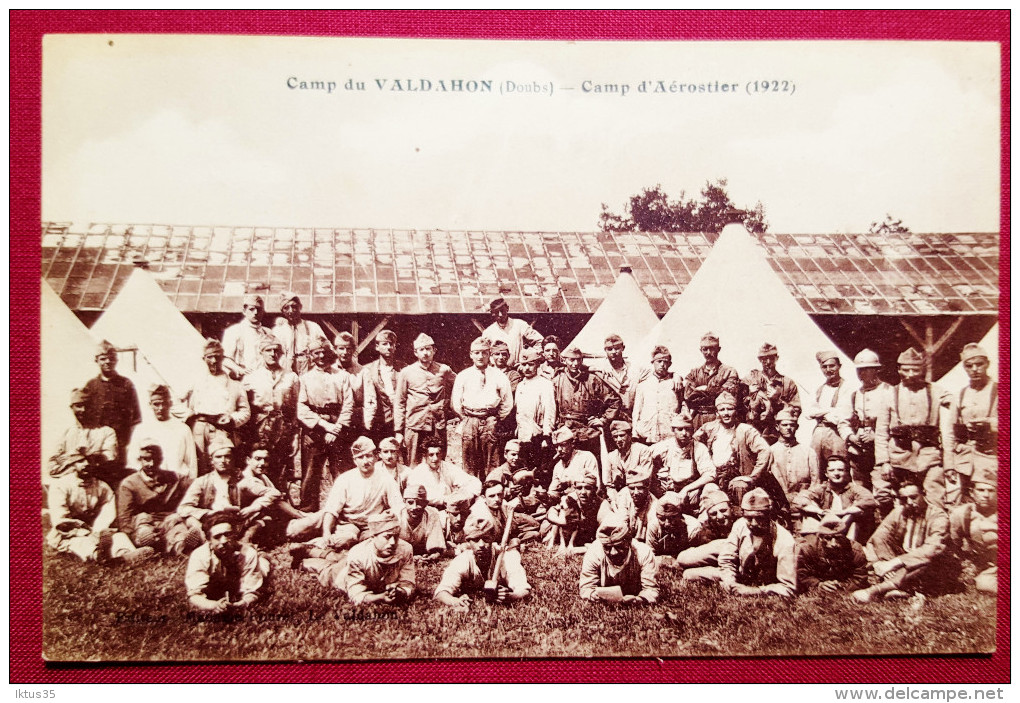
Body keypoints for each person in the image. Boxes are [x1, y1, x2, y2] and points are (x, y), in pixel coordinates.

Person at [874, 348, 955, 512]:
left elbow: (956, 410)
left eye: (916, 370)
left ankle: (934, 533)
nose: (911, 374)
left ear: (923, 370)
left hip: (929, 458)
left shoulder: (937, 391)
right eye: (906, 369)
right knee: (892, 500)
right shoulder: (889, 394)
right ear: (899, 370)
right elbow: (881, 431)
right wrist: (884, 462)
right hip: (899, 459)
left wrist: (949, 464)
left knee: (935, 499)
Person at [686, 488, 796, 597]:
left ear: (768, 515)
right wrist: (730, 581)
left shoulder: (784, 540)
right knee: (688, 574)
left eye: (759, 518)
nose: (753, 523)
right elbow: (727, 558)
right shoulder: (740, 525)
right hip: (742, 575)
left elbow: (788, 588)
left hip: (765, 583)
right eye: (748, 518)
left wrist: (754, 591)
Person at [176, 437, 282, 550]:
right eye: (218, 457)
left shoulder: (242, 480)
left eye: (227, 456)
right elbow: (184, 508)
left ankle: (215, 543)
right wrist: (208, 513)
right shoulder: (202, 481)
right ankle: (202, 539)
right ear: (211, 460)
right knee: (188, 520)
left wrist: (254, 507)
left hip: (234, 522)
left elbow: (274, 492)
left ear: (232, 459)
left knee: (260, 520)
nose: (223, 460)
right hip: (209, 520)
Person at [304, 436, 404, 552]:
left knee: (376, 544)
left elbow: (398, 507)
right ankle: (310, 547)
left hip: (373, 525)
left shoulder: (386, 479)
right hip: (349, 524)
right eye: (360, 457)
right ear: (354, 460)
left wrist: (395, 526)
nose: (365, 461)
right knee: (345, 539)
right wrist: (326, 532)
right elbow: (331, 509)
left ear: (376, 457)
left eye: (369, 456)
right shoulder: (345, 479)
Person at [854, 482, 949, 603]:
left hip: (929, 563)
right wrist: (880, 562)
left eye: (913, 497)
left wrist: (895, 563)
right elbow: (877, 538)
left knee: (923, 561)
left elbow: (933, 548)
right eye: (904, 499)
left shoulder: (938, 515)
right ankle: (901, 589)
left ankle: (874, 591)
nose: (909, 502)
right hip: (902, 559)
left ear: (924, 494)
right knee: (878, 542)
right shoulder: (899, 511)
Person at [300, 511, 416, 606]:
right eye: (387, 537)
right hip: (343, 574)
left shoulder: (405, 549)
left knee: (341, 558)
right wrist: (379, 597)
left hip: (356, 563)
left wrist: (401, 592)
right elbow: (356, 594)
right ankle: (304, 559)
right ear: (373, 536)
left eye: (396, 537)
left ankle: (311, 551)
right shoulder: (359, 554)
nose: (392, 542)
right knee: (328, 571)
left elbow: (408, 582)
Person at [694, 392, 784, 513]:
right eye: (722, 409)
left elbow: (765, 450)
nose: (726, 413)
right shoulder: (709, 428)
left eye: (730, 409)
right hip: (714, 477)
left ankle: (745, 520)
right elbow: (693, 444)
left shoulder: (746, 430)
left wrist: (752, 476)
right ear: (717, 412)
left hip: (737, 475)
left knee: (739, 487)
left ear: (736, 411)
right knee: (707, 493)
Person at [296, 337, 354, 512]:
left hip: (339, 428)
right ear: (310, 356)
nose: (321, 356)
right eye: (316, 353)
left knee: (342, 471)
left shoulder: (342, 376)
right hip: (315, 429)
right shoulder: (305, 379)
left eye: (324, 352)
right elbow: (301, 408)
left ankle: (346, 510)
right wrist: (324, 426)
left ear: (330, 353)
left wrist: (336, 429)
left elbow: (348, 405)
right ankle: (308, 510)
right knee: (310, 473)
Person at [180, 339, 251, 477]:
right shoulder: (195, 381)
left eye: (217, 357)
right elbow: (174, 401)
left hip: (222, 429)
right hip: (199, 429)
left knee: (223, 466)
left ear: (223, 358)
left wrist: (231, 419)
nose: (213, 361)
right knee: (200, 467)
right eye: (209, 357)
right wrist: (190, 414)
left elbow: (245, 412)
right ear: (203, 358)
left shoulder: (235, 385)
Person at [435, 514, 532, 609]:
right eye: (476, 540)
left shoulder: (506, 558)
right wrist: (455, 601)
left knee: (513, 553)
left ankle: (514, 546)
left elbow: (524, 589)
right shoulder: (462, 560)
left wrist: (510, 596)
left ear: (492, 539)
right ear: (468, 541)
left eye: (486, 539)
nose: (481, 545)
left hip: (508, 552)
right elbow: (441, 592)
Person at [185, 508, 271, 614]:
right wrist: (212, 605)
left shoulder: (248, 553)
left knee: (263, 569)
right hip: (216, 577)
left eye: (228, 534)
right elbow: (194, 595)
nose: (224, 540)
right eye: (217, 537)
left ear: (235, 534)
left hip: (243, 568)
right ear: (208, 540)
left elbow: (253, 590)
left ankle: (263, 556)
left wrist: (244, 603)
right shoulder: (199, 555)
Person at [242, 338, 301, 491]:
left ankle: (279, 501)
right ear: (261, 352)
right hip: (259, 426)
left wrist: (295, 435)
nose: (273, 354)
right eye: (268, 350)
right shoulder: (251, 378)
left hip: (282, 427)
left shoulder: (291, 377)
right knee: (259, 464)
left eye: (276, 350)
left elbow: (295, 408)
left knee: (280, 465)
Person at [451, 337, 513, 479]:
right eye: (477, 353)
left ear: (489, 354)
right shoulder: (463, 375)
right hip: (470, 419)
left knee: (492, 458)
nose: (480, 356)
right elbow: (456, 402)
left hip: (490, 420)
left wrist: (496, 417)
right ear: (471, 354)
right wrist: (466, 418)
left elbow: (507, 401)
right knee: (470, 459)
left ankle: (491, 488)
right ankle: (471, 489)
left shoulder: (498, 375)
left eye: (484, 353)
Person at [116, 442, 193, 554]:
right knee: (144, 527)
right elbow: (125, 516)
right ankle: (147, 543)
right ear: (140, 460)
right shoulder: (129, 483)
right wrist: (130, 536)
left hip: (167, 521)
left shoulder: (172, 477)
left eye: (155, 459)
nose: (151, 464)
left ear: (161, 460)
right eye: (146, 459)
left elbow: (194, 486)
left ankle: (179, 546)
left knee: (177, 527)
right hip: (144, 522)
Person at [83, 339, 141, 483]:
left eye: (111, 358)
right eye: (103, 358)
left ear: (116, 360)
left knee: (117, 480)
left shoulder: (126, 384)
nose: (107, 361)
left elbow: (135, 418)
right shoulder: (91, 386)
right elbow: (83, 419)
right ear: (96, 360)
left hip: (120, 444)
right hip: (97, 445)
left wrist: (128, 445)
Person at [394, 333, 456, 466]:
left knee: (437, 462)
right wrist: (398, 431)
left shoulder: (444, 370)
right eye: (421, 350)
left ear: (434, 350)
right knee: (413, 463)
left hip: (437, 426)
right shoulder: (406, 372)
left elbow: (459, 385)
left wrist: (449, 406)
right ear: (416, 352)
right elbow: (399, 402)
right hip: (415, 425)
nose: (425, 353)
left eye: (428, 349)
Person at [552, 346, 621, 459]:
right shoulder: (557, 380)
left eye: (578, 360)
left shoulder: (592, 379)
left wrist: (603, 420)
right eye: (571, 360)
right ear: (564, 360)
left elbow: (614, 401)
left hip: (588, 432)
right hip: (565, 431)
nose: (575, 364)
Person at [579, 511, 658, 604]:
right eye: (607, 548)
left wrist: (639, 600)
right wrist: (592, 595)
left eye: (618, 546)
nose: (613, 553)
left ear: (629, 541)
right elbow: (586, 587)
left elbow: (651, 589)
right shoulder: (594, 552)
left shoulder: (643, 552)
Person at [796, 455, 878, 543]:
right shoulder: (821, 489)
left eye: (840, 470)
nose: (836, 473)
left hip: (847, 529)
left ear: (847, 472)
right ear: (826, 474)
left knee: (852, 516)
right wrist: (821, 511)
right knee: (808, 516)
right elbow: (800, 499)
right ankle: (815, 547)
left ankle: (849, 550)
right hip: (825, 527)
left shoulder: (855, 489)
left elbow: (869, 501)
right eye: (832, 470)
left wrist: (843, 512)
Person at [952, 343, 997, 503]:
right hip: (966, 459)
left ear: (987, 364)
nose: (975, 369)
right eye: (969, 366)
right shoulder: (961, 394)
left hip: (991, 456)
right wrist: (953, 456)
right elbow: (952, 428)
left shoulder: (1002, 390)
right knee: (967, 500)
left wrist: (990, 424)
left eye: (979, 364)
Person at [47, 387, 118, 484]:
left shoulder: (106, 432)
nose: (83, 410)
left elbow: (109, 463)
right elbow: (52, 469)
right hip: (69, 488)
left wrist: (69, 459)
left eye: (87, 406)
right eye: (79, 406)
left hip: (96, 488)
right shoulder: (65, 433)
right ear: (71, 407)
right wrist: (89, 458)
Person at [127, 384, 198, 479]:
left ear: (170, 403)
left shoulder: (183, 429)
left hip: (177, 484)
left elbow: (192, 463)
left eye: (164, 403)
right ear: (150, 405)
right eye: (156, 404)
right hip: (150, 484)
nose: (160, 408)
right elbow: (133, 461)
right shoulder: (142, 430)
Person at [649, 412, 716, 512]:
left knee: (711, 488)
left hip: (691, 492)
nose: (684, 433)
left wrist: (687, 489)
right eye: (680, 429)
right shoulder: (664, 446)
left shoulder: (699, 448)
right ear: (673, 430)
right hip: (668, 491)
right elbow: (643, 457)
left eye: (687, 429)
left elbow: (710, 474)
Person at [846, 349, 893, 489]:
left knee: (882, 489)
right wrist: (851, 436)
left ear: (876, 370)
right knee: (860, 489)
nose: (861, 373)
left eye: (866, 369)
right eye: (859, 370)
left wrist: (876, 436)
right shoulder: (856, 394)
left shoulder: (889, 391)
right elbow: (845, 420)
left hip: (881, 450)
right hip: (859, 450)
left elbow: (895, 423)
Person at [948, 463, 997, 595]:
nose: (986, 495)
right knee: (984, 584)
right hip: (989, 566)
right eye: (981, 490)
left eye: (991, 490)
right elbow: (954, 544)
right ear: (972, 492)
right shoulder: (962, 514)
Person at [795, 513, 870, 594]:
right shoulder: (808, 550)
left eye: (838, 538)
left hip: (843, 584)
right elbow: (802, 575)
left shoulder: (855, 550)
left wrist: (841, 587)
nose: (834, 543)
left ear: (845, 536)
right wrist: (818, 585)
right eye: (828, 538)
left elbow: (860, 579)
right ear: (819, 537)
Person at [743, 343, 801, 445]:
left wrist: (778, 400)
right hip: (754, 431)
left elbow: (796, 412)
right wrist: (749, 394)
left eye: (771, 358)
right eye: (764, 359)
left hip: (779, 434)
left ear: (777, 358)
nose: (768, 362)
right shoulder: (749, 380)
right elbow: (736, 407)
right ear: (759, 360)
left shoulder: (787, 383)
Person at [807, 350, 854, 473]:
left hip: (836, 432)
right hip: (819, 432)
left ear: (839, 366)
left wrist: (821, 412)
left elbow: (840, 416)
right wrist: (829, 412)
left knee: (839, 467)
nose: (828, 370)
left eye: (832, 366)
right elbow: (809, 412)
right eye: (824, 367)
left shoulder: (847, 387)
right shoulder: (819, 389)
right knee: (815, 467)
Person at [768, 407, 819, 520]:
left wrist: (804, 497)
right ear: (777, 427)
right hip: (778, 505)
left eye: (792, 425)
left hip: (803, 504)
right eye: (784, 425)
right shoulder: (770, 452)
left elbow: (816, 482)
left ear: (797, 427)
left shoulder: (808, 452)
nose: (788, 428)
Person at [513, 347, 556, 481]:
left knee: (538, 470)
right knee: (524, 468)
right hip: (523, 434)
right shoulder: (521, 385)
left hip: (537, 435)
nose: (527, 368)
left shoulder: (545, 384)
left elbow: (549, 410)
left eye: (530, 364)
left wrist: (546, 435)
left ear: (537, 364)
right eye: (524, 364)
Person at [405, 437, 482, 510]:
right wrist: (446, 499)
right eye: (431, 455)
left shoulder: (447, 467)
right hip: (429, 509)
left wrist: (466, 494)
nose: (435, 458)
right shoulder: (417, 472)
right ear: (425, 456)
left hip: (451, 508)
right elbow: (420, 496)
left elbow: (473, 482)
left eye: (437, 454)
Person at [683, 332, 740, 430]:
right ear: (700, 350)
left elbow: (728, 395)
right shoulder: (694, 373)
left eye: (712, 349)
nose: (708, 353)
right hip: (697, 418)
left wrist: (700, 391)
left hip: (719, 418)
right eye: (705, 349)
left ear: (718, 349)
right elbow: (688, 395)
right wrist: (713, 391)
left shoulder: (729, 371)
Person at [632, 345, 684, 445]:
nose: (662, 365)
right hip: (647, 433)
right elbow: (636, 412)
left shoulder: (676, 383)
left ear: (670, 364)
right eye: (659, 361)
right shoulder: (643, 385)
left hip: (669, 433)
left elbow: (683, 407)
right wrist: (635, 433)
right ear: (653, 362)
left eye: (665, 362)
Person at [362, 330, 405, 446]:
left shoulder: (403, 369)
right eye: (384, 344)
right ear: (377, 346)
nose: (389, 347)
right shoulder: (368, 370)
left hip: (400, 421)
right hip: (379, 422)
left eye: (391, 344)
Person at [272, 291, 328, 376]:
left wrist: (312, 347)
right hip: (286, 371)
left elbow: (327, 346)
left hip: (309, 371)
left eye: (294, 306)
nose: (290, 311)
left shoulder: (312, 326)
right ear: (282, 311)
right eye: (286, 308)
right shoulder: (278, 330)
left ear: (300, 307)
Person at [677, 490, 735, 570]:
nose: (720, 516)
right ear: (708, 516)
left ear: (731, 508)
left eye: (723, 510)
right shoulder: (706, 531)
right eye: (714, 514)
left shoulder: (744, 520)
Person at [221, 294, 275, 380]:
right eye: (251, 309)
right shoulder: (234, 331)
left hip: (266, 377)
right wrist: (238, 369)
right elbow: (225, 359)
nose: (256, 313)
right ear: (244, 311)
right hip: (244, 377)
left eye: (259, 309)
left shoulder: (268, 332)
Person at [600, 466, 659, 543]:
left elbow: (652, 533)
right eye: (632, 488)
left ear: (647, 487)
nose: (636, 492)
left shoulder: (654, 504)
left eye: (640, 488)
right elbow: (622, 521)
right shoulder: (623, 495)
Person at [481, 297, 543, 367]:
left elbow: (540, 341)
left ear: (507, 308)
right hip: (499, 371)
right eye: (496, 312)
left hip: (520, 369)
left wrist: (530, 356)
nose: (500, 314)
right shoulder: (488, 332)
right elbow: (483, 352)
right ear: (492, 313)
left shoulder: (520, 325)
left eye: (502, 310)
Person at [602, 420, 654, 499]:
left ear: (630, 435)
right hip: (618, 497)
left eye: (622, 435)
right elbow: (609, 485)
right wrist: (615, 499)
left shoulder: (642, 450)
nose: (618, 440)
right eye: (615, 437)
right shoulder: (611, 456)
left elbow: (645, 478)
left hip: (640, 494)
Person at [589, 333, 638, 416]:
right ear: (605, 350)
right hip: (609, 416)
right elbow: (579, 366)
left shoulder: (633, 369)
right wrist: (598, 369)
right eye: (609, 349)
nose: (613, 352)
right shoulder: (600, 368)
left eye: (617, 348)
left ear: (623, 348)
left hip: (629, 415)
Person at [646, 492, 701, 563]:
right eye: (661, 519)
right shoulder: (653, 525)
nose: (667, 524)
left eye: (672, 518)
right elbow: (651, 556)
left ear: (680, 516)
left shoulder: (693, 528)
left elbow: (695, 558)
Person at [547, 427, 600, 500]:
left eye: (563, 445)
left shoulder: (586, 457)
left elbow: (594, 486)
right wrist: (548, 497)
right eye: (556, 446)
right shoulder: (558, 466)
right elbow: (554, 491)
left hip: (584, 501)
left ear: (572, 444)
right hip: (565, 504)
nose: (559, 449)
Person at [398, 483, 447, 558]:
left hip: (421, 553)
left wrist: (434, 555)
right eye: (410, 502)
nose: (414, 507)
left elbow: (436, 547)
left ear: (426, 503)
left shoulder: (431, 515)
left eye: (419, 503)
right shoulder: (396, 516)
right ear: (404, 501)